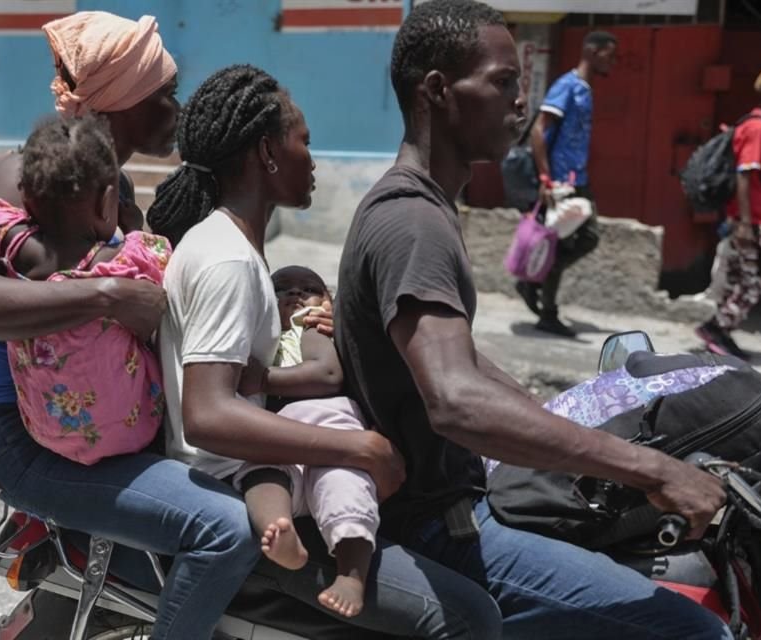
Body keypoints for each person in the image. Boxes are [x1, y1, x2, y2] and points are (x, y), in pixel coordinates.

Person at [334, 2, 732, 638]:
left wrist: (557, 417)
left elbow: (454, 361)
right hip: (442, 529)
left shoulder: (412, 205)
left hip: (446, 505)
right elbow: (455, 401)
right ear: (437, 90)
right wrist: (655, 470)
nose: (520, 104)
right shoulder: (414, 220)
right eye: (502, 83)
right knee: (695, 630)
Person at [0, 13, 263, 639]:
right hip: (21, 439)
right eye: (165, 94)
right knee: (223, 529)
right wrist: (106, 295)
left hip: (102, 427)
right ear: (121, 106)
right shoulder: (30, 176)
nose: (176, 107)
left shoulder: (125, 202)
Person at [147, 63, 502, 639]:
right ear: (267, 152)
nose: (312, 158)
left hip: (264, 477)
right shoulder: (229, 260)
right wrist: (359, 446)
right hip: (246, 496)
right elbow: (208, 415)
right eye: (303, 141)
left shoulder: (228, 247)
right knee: (469, 616)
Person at [0, 115, 170, 465]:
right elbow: (164, 272)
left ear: (27, 203)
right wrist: (135, 224)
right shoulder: (132, 257)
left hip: (45, 433)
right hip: (135, 429)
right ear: (108, 199)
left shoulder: (18, 248)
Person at [233, 264, 379, 618]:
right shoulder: (265, 336)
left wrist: (263, 379)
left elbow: (327, 375)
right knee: (261, 474)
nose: (296, 295)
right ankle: (280, 530)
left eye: (309, 288)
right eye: (282, 289)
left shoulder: (310, 328)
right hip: (282, 436)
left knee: (345, 486)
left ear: (327, 302)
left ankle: (351, 574)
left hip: (327, 427)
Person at [515, 30, 617, 338]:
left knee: (581, 239)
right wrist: (547, 178)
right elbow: (538, 130)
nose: (612, 62)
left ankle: (535, 284)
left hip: (577, 180)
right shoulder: (567, 86)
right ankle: (544, 304)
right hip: (560, 182)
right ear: (593, 51)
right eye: (609, 54)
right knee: (576, 239)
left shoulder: (584, 89)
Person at [696, 67, 761, 360]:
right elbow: (745, 175)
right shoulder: (757, 129)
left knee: (744, 277)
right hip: (754, 219)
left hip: (754, 217)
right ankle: (716, 327)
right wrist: (744, 221)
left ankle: (721, 331)